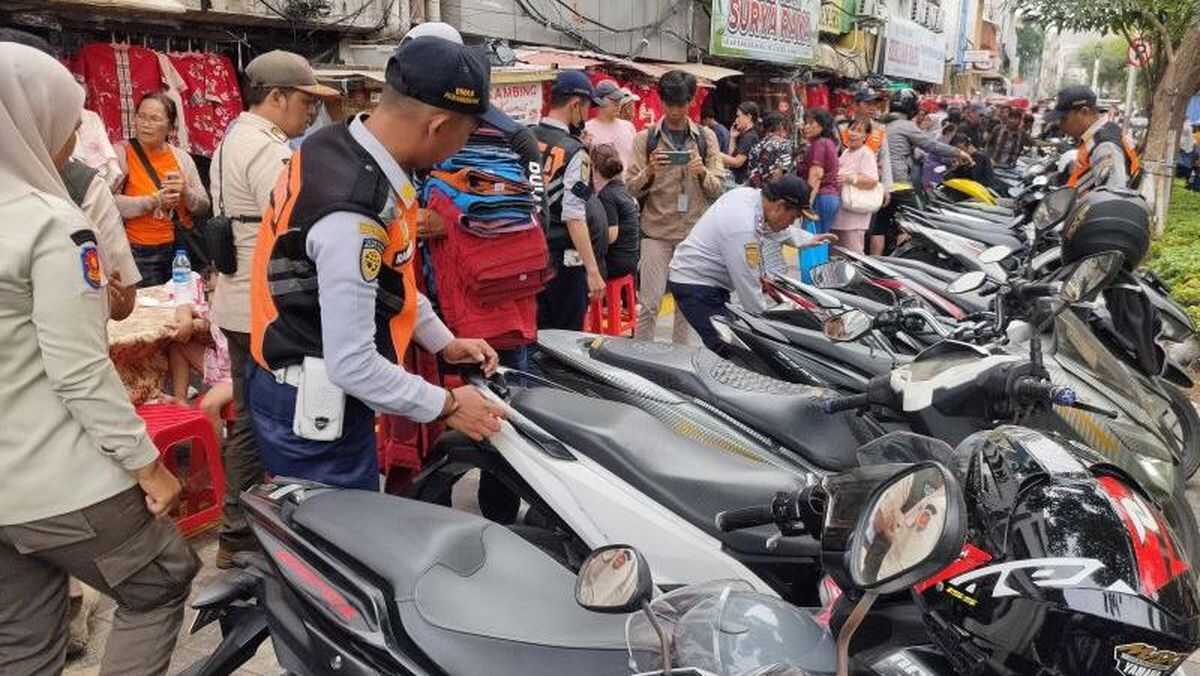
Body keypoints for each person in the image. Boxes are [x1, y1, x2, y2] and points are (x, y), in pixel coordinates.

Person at [0, 42, 199, 676]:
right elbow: (80, 370)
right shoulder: (51, 224)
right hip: (57, 478)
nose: (74, 139)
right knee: (162, 580)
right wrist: (147, 468)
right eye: (69, 122)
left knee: (25, 640)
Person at [247, 36, 505, 491]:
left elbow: (392, 272)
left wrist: (443, 342)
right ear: (438, 125)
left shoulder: (339, 144)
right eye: (466, 135)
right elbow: (353, 364)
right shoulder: (353, 212)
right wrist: (448, 403)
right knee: (335, 547)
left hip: (314, 382)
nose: (461, 149)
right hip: (315, 411)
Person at [208, 49, 336, 568]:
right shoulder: (266, 150)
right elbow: (295, 223)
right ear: (277, 97)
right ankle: (252, 530)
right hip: (261, 304)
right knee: (272, 420)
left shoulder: (233, 138)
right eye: (305, 101)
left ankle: (238, 529)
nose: (310, 112)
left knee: (248, 419)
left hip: (238, 299)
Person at [667, 176, 837, 352]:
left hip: (707, 282)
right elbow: (747, 282)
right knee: (734, 349)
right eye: (793, 217)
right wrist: (767, 325)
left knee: (737, 343)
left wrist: (808, 238)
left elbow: (768, 227)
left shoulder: (749, 197)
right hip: (696, 285)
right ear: (779, 205)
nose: (791, 223)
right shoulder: (743, 225)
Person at [627, 69, 724, 344]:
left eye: (680, 104)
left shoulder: (706, 138)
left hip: (692, 234)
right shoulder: (645, 139)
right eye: (669, 104)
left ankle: (680, 360)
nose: (674, 111)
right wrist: (649, 171)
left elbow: (718, 189)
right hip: (656, 232)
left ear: (692, 101)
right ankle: (641, 359)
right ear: (661, 101)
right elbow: (629, 188)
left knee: (686, 306)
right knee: (649, 304)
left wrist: (702, 172)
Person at [113, 93, 210, 286]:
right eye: (141, 116)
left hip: (180, 249)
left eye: (155, 119)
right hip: (138, 251)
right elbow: (108, 202)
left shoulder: (181, 158)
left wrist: (185, 192)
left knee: (182, 303)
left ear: (170, 126)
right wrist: (153, 201)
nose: (145, 124)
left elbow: (203, 206)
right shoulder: (121, 153)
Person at [534, 70, 606, 330]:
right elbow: (574, 216)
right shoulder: (575, 152)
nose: (588, 117)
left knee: (531, 336)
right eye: (588, 109)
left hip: (524, 253)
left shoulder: (524, 138)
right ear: (576, 105)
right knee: (564, 340)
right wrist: (593, 271)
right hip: (562, 261)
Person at [873, 89, 972, 255]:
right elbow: (931, 145)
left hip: (882, 182)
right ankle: (904, 260)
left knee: (880, 225)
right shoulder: (905, 125)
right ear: (912, 108)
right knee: (919, 219)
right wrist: (959, 152)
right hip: (900, 182)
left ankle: (876, 260)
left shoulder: (881, 124)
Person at [1046, 86, 1141, 192]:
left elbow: (1112, 197)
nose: (1060, 125)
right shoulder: (1097, 137)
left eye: (1063, 119)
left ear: (1084, 112)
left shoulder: (1105, 146)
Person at [593, 143, 640, 279]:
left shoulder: (607, 195)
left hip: (616, 263)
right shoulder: (623, 189)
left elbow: (611, 236)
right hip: (631, 259)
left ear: (595, 169)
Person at [834, 120, 880, 253]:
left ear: (866, 136)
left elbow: (872, 180)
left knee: (853, 254)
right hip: (841, 213)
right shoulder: (846, 152)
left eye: (859, 131)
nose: (854, 134)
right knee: (837, 255)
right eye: (852, 129)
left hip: (854, 215)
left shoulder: (866, 153)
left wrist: (850, 178)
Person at [797, 108, 840, 234]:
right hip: (828, 197)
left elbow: (816, 175)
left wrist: (807, 203)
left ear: (822, 125)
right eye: (806, 123)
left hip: (820, 197)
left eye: (811, 123)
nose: (806, 127)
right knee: (820, 238)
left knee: (812, 239)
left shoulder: (820, 144)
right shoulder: (828, 142)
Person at [585, 80, 639, 180]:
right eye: (614, 100)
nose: (618, 104)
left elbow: (635, 160)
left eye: (619, 100)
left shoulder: (628, 127)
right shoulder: (587, 129)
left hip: (628, 189)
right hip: (601, 191)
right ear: (600, 101)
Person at [746, 111, 793, 188]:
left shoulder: (756, 146)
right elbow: (779, 172)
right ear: (781, 127)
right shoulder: (783, 145)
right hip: (775, 194)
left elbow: (751, 172)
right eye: (785, 128)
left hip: (755, 191)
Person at [722, 101, 761, 185]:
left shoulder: (750, 137)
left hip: (743, 183)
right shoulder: (744, 135)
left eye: (738, 116)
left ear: (748, 117)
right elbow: (731, 157)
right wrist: (733, 138)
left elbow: (737, 162)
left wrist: (715, 153)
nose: (736, 120)